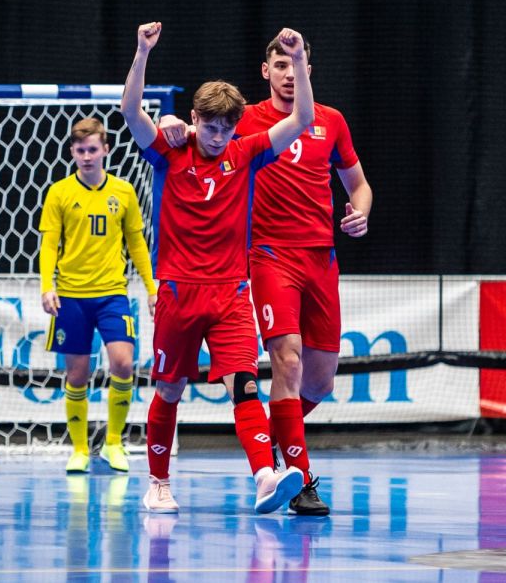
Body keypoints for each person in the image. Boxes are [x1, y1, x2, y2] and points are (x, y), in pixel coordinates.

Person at [157, 36, 373, 515]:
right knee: (287, 363)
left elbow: (358, 185)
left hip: (322, 258)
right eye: (281, 65)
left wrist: (359, 213)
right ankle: (299, 481)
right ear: (265, 71)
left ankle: (267, 449)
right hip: (268, 256)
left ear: (308, 68)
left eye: (297, 64)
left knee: (319, 383)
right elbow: (200, 130)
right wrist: (169, 122)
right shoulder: (247, 120)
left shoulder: (331, 120)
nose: (290, 74)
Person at [121, 22, 311, 514]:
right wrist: (142, 52)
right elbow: (129, 112)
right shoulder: (168, 152)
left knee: (245, 382)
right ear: (194, 119)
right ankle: (158, 483)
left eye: (227, 127)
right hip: (179, 293)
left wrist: (299, 61)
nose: (219, 135)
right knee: (169, 388)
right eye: (211, 126)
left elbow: (303, 118)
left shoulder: (245, 153)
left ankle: (265, 477)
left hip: (230, 292)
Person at [38, 118, 159, 474]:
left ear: (105, 149)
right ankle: (79, 450)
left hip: (112, 294)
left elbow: (137, 244)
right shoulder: (60, 192)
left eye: (93, 149)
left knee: (123, 362)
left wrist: (151, 289)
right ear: (73, 152)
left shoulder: (123, 192)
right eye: (80, 150)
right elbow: (49, 244)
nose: (87, 156)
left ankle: (114, 443)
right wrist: (48, 285)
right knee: (78, 374)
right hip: (72, 296)